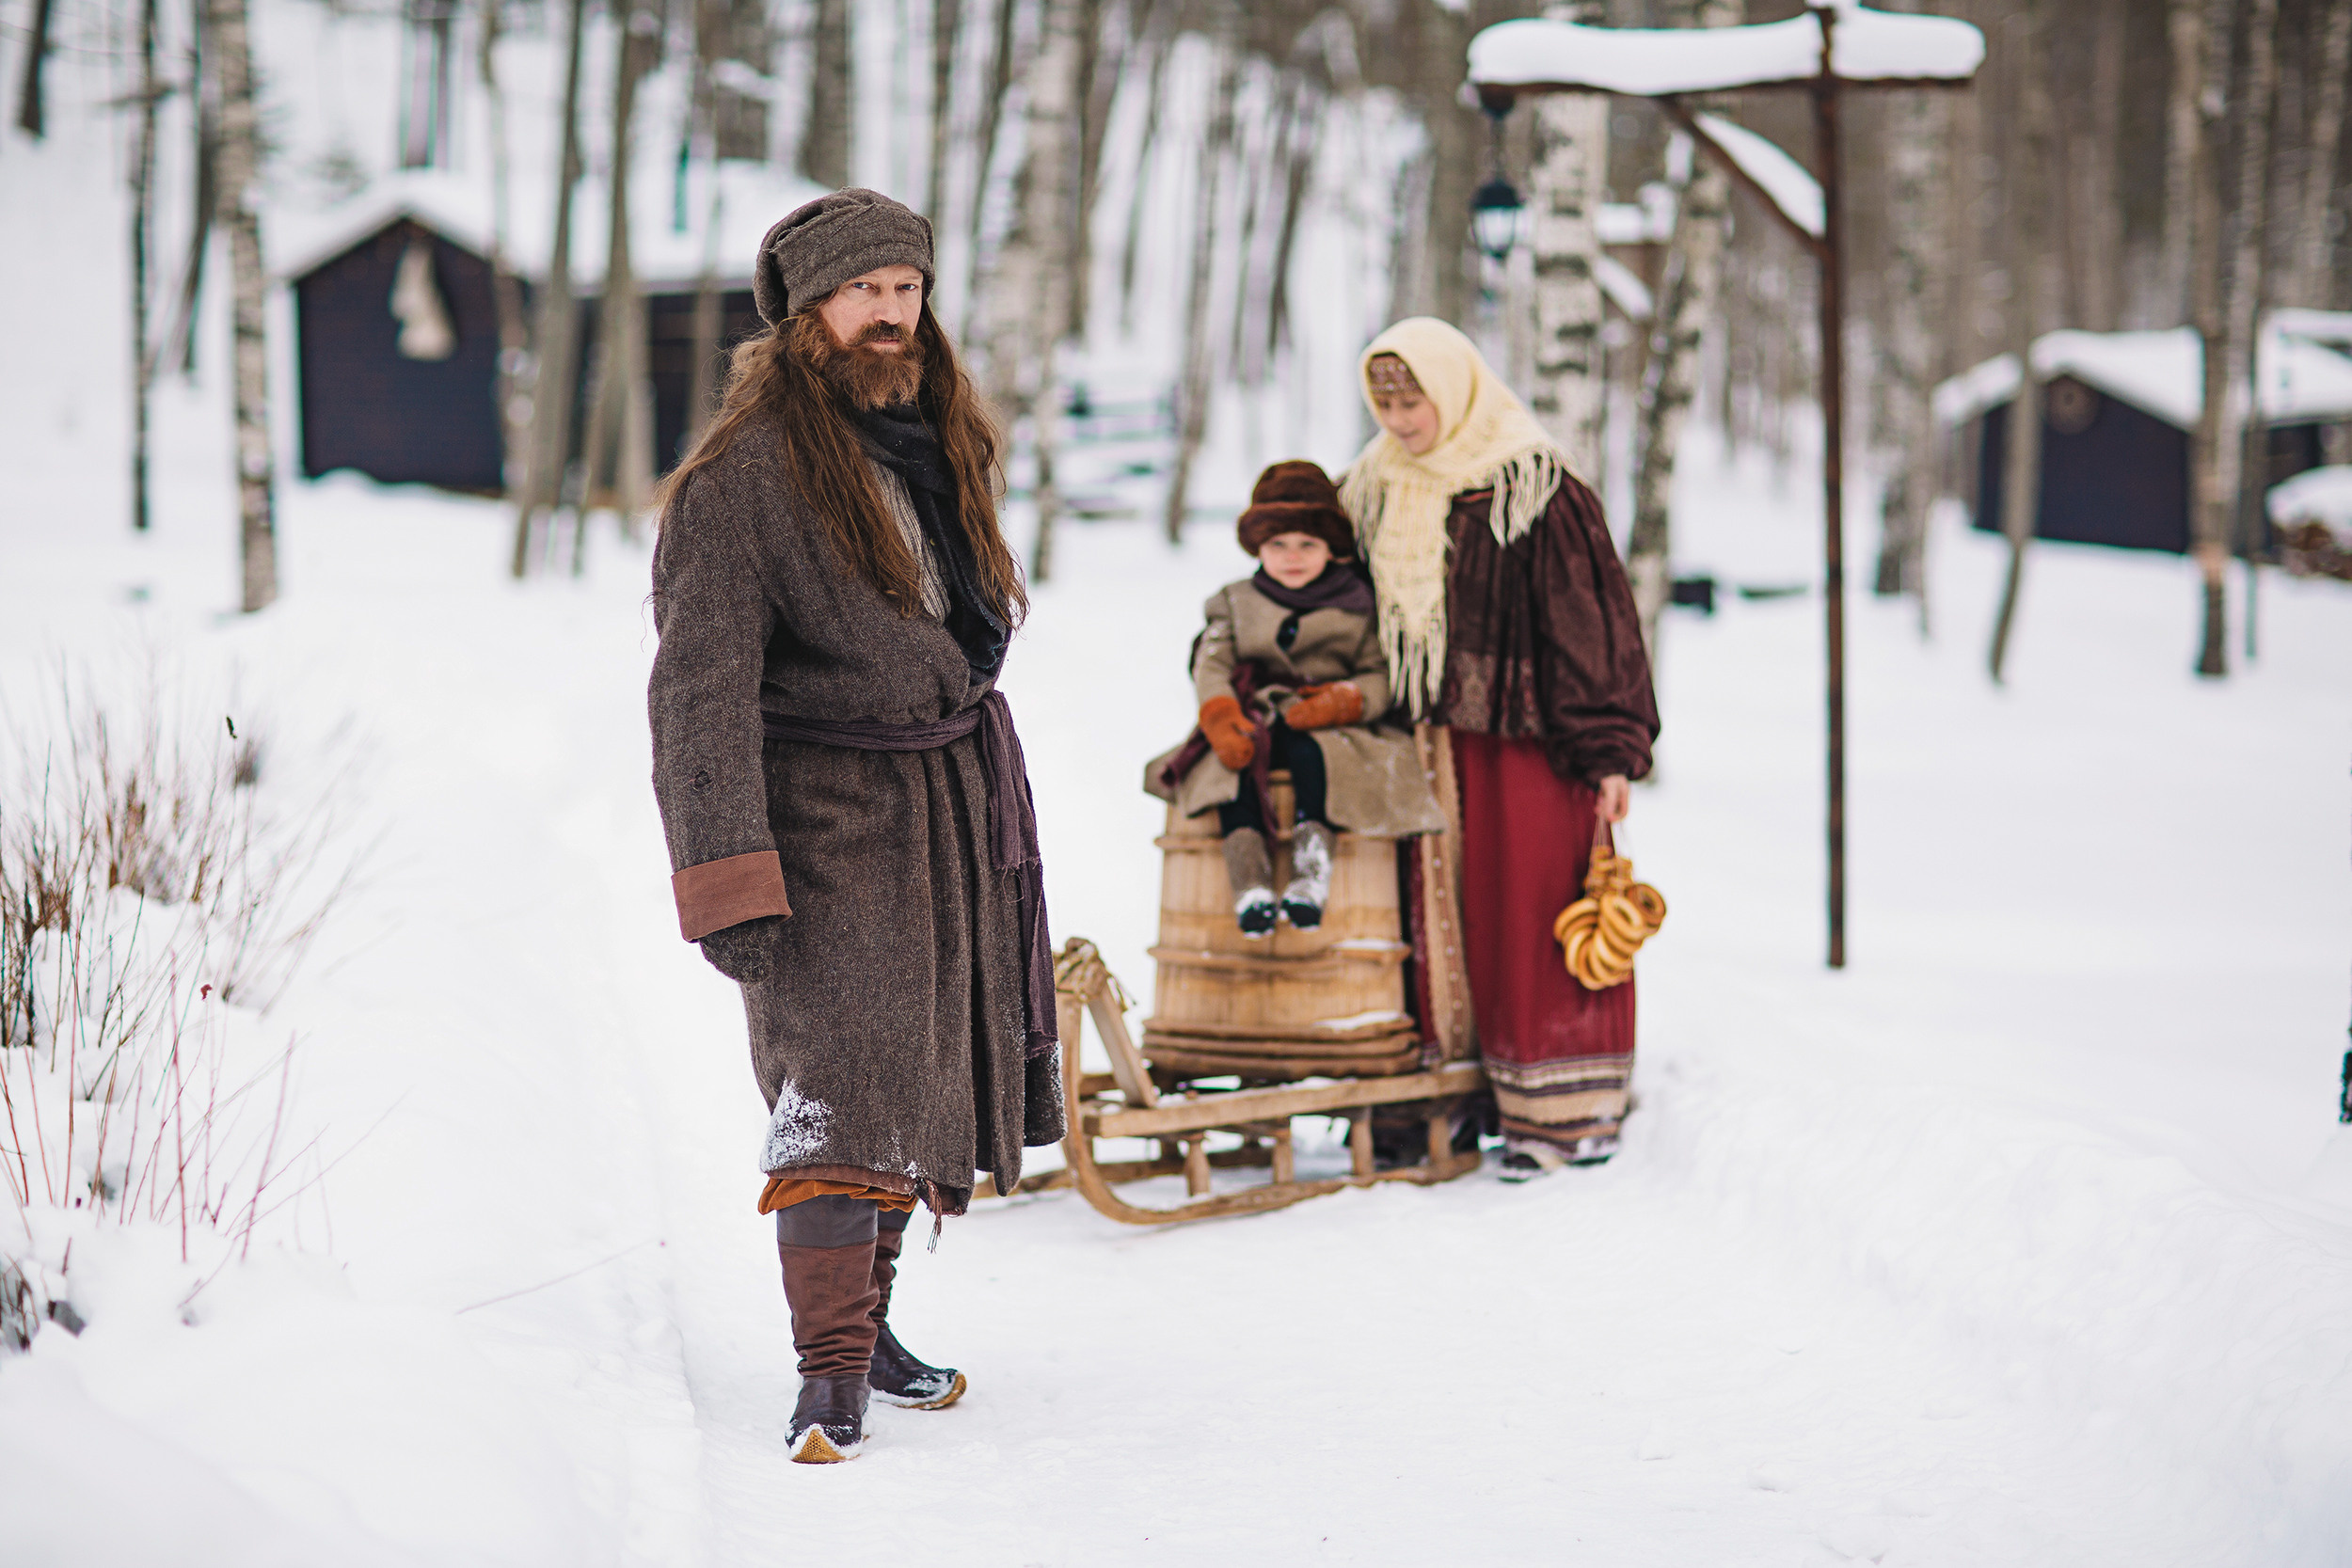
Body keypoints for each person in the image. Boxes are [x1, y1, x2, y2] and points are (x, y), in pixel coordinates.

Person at [646, 188, 1062, 1464]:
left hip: (944, 805)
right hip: (822, 819)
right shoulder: (741, 481)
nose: (891, 312)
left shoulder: (938, 441)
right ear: (806, 311)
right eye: (863, 289)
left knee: (910, 1075)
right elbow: (697, 693)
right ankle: (826, 1372)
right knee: (830, 1089)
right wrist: (730, 878)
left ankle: (870, 1327)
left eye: (908, 287)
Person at [1338, 318, 1658, 1178]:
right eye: (1386, 401)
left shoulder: (1534, 485)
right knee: (1434, 927)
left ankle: (1562, 1112)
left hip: (1528, 744)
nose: (1401, 420)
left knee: (1532, 914)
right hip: (1424, 743)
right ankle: (1446, 1101)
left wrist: (1610, 749)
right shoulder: (1371, 485)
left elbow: (1591, 625)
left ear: (1458, 387)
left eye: (1415, 400)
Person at [1146, 461, 1446, 933]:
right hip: (1253, 718)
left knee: (1314, 760)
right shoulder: (1236, 600)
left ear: (1331, 548)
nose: (1293, 556)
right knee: (1231, 771)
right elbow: (1214, 662)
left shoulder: (1358, 604)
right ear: (1258, 548)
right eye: (1277, 545)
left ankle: (1312, 871)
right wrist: (1220, 712)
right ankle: (1251, 885)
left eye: (1308, 544)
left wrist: (1346, 700)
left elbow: (1380, 673)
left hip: (1331, 728)